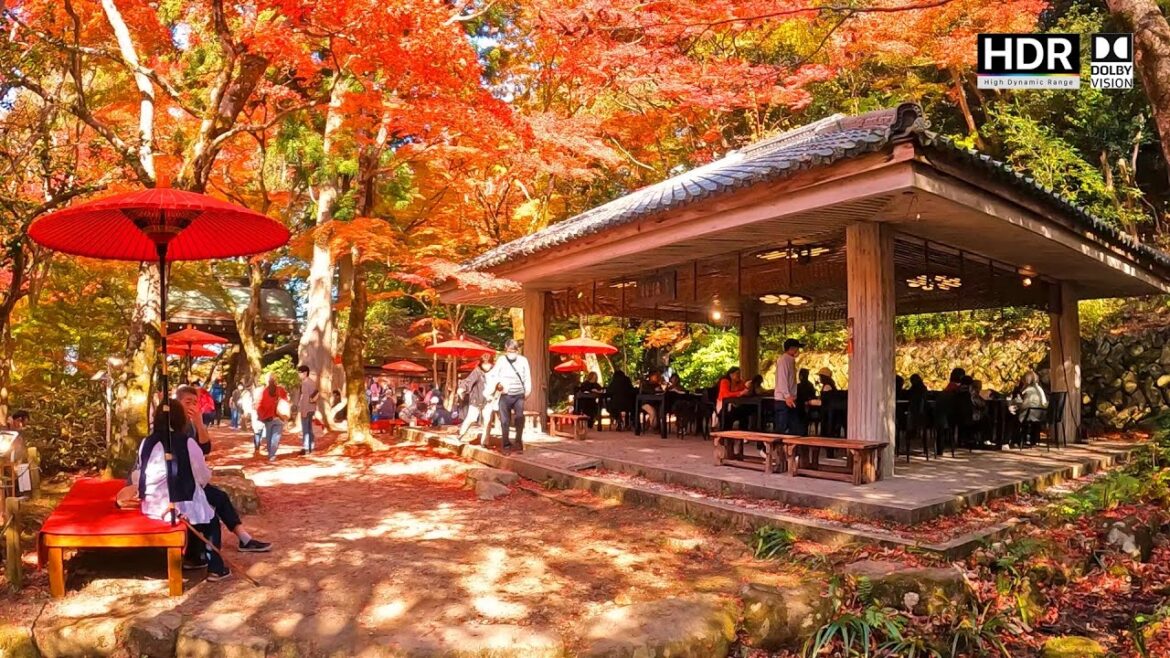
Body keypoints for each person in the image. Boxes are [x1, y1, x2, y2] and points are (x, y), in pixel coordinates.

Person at [486, 339, 531, 453]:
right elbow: (494, 375)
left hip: (519, 394)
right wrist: (497, 385)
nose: (511, 353)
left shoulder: (523, 360)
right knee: (504, 421)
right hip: (505, 394)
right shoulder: (501, 360)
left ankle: (518, 442)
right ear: (506, 350)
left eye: (513, 350)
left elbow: (527, 377)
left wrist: (528, 391)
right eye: (509, 350)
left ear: (517, 350)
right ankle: (505, 445)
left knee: (519, 418)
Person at [457, 353, 496, 443]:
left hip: (489, 400)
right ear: (481, 364)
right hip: (476, 399)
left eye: (488, 364)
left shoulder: (495, 371)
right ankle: (461, 434)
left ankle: (485, 442)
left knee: (487, 420)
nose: (486, 366)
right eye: (484, 364)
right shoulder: (477, 371)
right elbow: (468, 381)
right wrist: (462, 388)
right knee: (471, 418)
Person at [773, 338, 806, 435]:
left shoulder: (790, 360)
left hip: (790, 399)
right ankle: (767, 447)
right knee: (781, 429)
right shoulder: (783, 360)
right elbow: (782, 379)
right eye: (797, 348)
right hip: (784, 400)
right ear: (791, 348)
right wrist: (787, 396)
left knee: (795, 429)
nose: (798, 351)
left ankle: (789, 449)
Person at [255, 374, 289, 463]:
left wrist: (262, 415)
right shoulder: (280, 390)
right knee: (276, 437)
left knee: (269, 437)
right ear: (276, 381)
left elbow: (258, 405)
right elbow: (286, 399)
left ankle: (270, 453)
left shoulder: (264, 391)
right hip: (279, 417)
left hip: (268, 418)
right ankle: (272, 455)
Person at [1011, 370, 1048, 445]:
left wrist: (1017, 404)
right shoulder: (1039, 388)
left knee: (1014, 417)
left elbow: (1025, 405)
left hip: (1031, 414)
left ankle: (1016, 440)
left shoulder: (1028, 390)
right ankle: (1033, 440)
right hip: (1041, 414)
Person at [296, 365, 320, 455]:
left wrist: (303, 411)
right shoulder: (311, 382)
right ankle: (311, 447)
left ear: (305, 373)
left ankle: (306, 448)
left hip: (306, 409)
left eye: (300, 373)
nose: (299, 375)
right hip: (311, 409)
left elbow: (305, 398)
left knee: (305, 429)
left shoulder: (305, 383)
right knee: (310, 429)